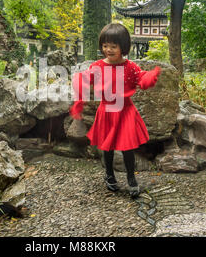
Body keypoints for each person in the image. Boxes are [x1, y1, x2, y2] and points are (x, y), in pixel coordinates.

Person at [69, 23, 161, 198]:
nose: (108, 50)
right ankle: (109, 175)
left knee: (128, 147)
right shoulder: (97, 66)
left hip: (126, 111)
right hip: (107, 111)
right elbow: (85, 80)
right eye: (105, 46)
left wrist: (150, 76)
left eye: (113, 46)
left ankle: (131, 178)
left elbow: (141, 77)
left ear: (123, 47)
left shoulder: (130, 66)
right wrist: (79, 91)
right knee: (108, 146)